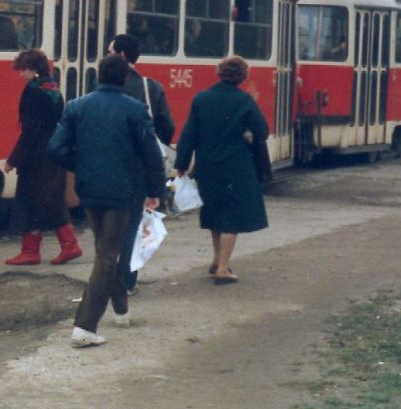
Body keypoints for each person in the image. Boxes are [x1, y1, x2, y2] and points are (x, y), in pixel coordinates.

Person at [48, 54, 165, 348]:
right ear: (125, 78)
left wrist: (81, 165)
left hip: (88, 190)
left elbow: (56, 148)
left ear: (98, 75)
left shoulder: (77, 106)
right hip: (122, 191)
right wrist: (155, 190)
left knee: (104, 249)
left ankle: (122, 309)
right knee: (106, 255)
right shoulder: (135, 109)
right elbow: (151, 153)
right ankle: (84, 327)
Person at [174, 55, 269, 285]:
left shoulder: (201, 99)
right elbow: (262, 131)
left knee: (215, 214)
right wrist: (247, 134)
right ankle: (223, 269)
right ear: (243, 76)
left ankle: (217, 260)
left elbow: (188, 135)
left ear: (219, 73)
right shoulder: (244, 100)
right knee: (232, 218)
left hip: (207, 166)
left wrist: (181, 165)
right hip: (236, 166)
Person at [108, 33, 175, 297]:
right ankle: (126, 280)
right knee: (132, 227)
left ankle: (105, 278)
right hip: (137, 170)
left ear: (122, 55)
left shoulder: (98, 87)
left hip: (108, 167)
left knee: (106, 228)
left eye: (110, 50)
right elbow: (167, 127)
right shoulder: (151, 87)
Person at [3, 49, 82, 266]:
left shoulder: (33, 91)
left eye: (24, 69)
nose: (21, 74)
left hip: (36, 154)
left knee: (31, 199)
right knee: (49, 198)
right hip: (53, 150)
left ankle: (38, 250)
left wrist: (13, 159)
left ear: (35, 69)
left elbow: (30, 131)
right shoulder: (53, 89)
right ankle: (63, 245)